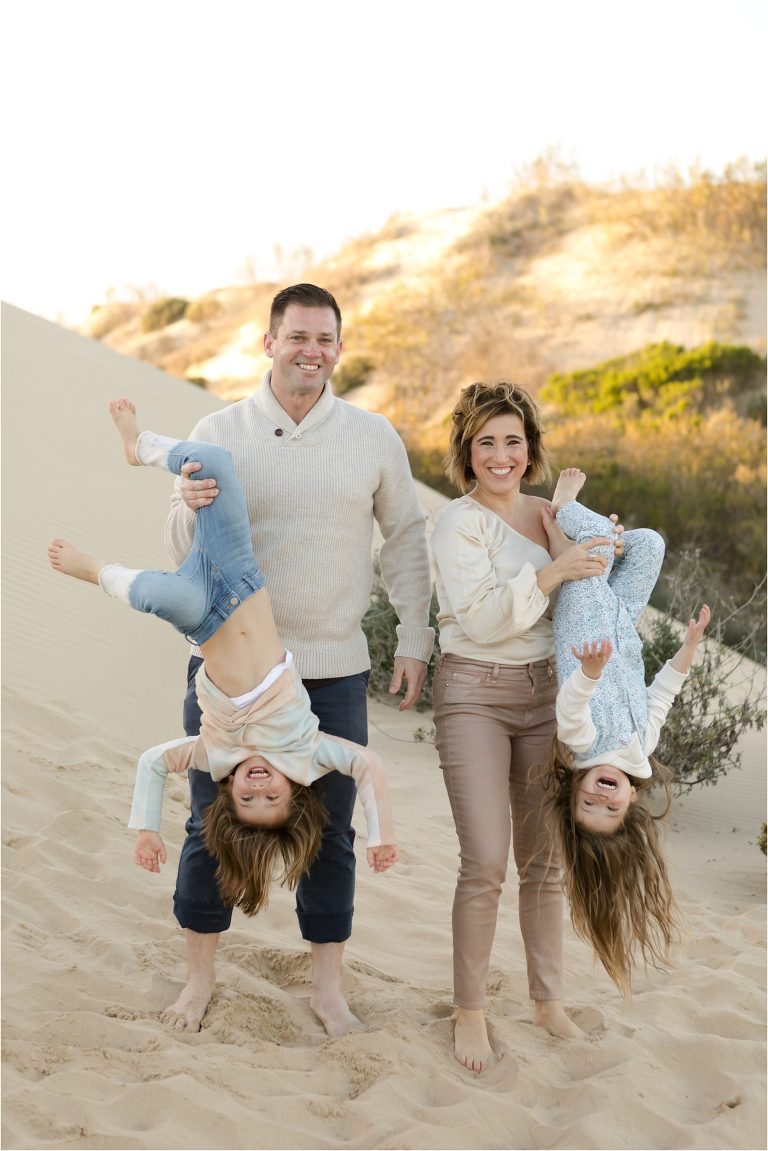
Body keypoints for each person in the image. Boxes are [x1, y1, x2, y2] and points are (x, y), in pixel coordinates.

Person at [162, 284, 434, 1035]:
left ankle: (327, 989)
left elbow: (406, 537)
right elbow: (180, 547)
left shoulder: (372, 436)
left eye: (324, 339)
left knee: (333, 833)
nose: (311, 352)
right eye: (297, 337)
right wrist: (187, 505)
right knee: (209, 823)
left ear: (339, 348)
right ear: (269, 343)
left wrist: (415, 635)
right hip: (231, 670)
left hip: (334, 666)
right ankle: (198, 979)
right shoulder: (220, 430)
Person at [48, 401, 399, 921]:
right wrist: (381, 834)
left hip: (202, 617)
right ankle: (139, 447)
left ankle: (97, 570)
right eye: (271, 799)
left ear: (229, 792)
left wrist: (147, 829)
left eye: (247, 801)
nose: (258, 789)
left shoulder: (212, 756)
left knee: (155, 596)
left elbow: (153, 763)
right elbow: (368, 765)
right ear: (293, 792)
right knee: (212, 460)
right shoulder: (308, 755)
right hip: (241, 576)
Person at [430, 381, 621, 1073]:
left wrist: (601, 547)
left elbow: (592, 591)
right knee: (485, 860)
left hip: (548, 695)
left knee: (543, 862)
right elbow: (482, 619)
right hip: (473, 694)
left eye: (513, 440)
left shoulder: (548, 515)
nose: (500, 455)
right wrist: (556, 570)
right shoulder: (457, 524)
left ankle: (547, 1001)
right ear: (467, 452)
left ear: (530, 448)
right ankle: (470, 1011)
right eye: (486, 442)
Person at [541, 467, 710, 995]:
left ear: (575, 790)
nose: (601, 796)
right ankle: (581, 537)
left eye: (588, 804)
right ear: (631, 799)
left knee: (599, 543)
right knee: (649, 544)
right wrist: (688, 649)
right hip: (622, 620)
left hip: (584, 621)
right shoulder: (644, 747)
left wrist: (589, 675)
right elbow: (662, 696)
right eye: (610, 808)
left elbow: (570, 708)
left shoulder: (583, 747)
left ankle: (563, 506)